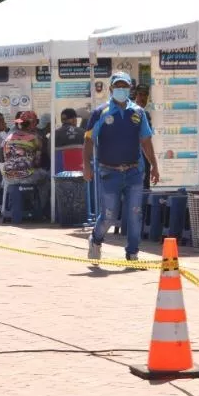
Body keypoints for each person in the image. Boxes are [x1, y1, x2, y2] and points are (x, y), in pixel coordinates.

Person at [84, 71, 159, 262]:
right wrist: (86, 165)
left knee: (135, 214)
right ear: (110, 89)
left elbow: (146, 141)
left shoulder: (138, 112)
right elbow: (89, 140)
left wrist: (155, 166)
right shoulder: (100, 112)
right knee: (109, 215)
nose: (121, 90)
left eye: (124, 86)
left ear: (129, 89)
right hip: (109, 171)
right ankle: (96, 239)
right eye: (117, 86)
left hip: (134, 171)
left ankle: (132, 253)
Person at [1, 110, 48, 218]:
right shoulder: (35, 139)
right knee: (45, 177)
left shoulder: (8, 137)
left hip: (8, 176)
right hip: (26, 176)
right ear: (33, 124)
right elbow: (37, 162)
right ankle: (41, 210)